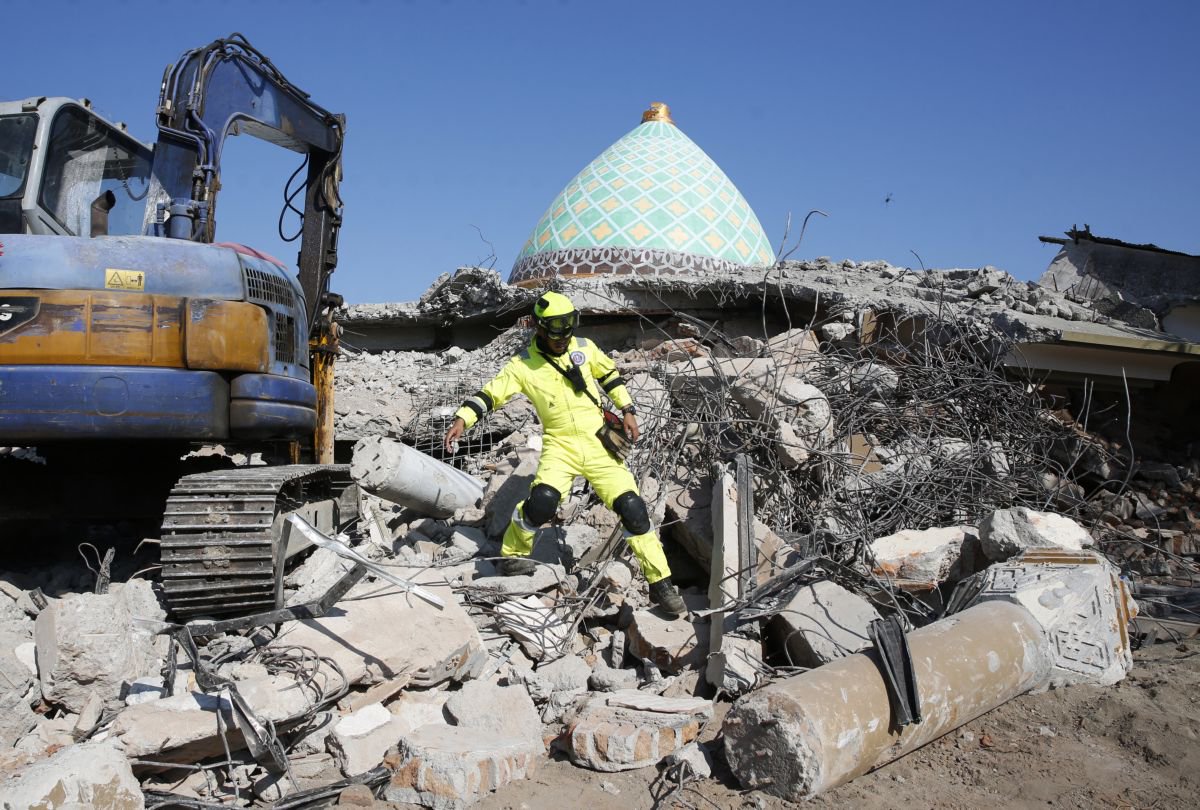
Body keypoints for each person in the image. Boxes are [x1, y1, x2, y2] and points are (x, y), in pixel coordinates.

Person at [444, 291, 687, 616]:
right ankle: (513, 554)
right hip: (560, 446)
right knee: (542, 502)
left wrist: (626, 408)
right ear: (539, 328)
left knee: (633, 507)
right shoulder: (523, 366)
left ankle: (662, 584)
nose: (562, 340)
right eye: (555, 333)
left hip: (599, 445)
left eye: (567, 332)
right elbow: (492, 393)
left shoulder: (584, 349)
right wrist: (463, 418)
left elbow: (609, 374)